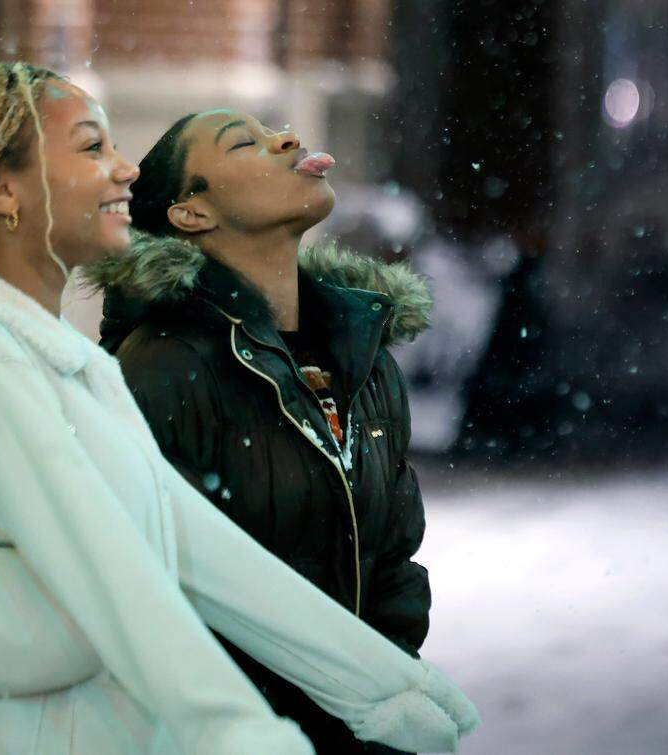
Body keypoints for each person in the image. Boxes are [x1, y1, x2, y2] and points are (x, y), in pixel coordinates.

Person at [0, 63, 478, 754]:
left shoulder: (59, 361)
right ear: (3, 190)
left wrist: (385, 688)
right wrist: (239, 732)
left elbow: (196, 554)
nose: (125, 169)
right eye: (92, 148)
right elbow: (118, 580)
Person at [86, 109, 437, 753]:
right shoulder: (165, 365)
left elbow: (394, 560)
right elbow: (151, 593)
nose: (287, 140)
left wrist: (384, 700)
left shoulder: (362, 353)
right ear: (191, 213)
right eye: (244, 143)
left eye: (276, 132)